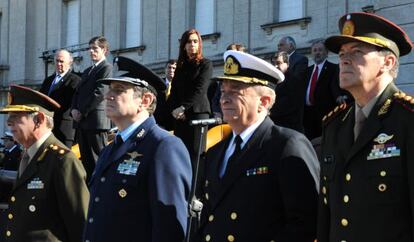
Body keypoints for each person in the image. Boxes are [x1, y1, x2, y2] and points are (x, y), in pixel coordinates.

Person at [195, 50, 319, 242]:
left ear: (264, 101)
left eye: (235, 91)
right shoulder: (215, 151)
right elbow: (209, 217)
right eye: (223, 91)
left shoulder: (286, 145)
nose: (224, 98)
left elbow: (305, 223)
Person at [318, 12, 414, 242]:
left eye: (356, 52)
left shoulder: (407, 121)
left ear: (387, 62)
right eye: (342, 54)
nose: (344, 59)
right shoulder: (333, 125)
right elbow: (326, 215)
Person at [83, 58, 192, 242]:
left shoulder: (163, 147)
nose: (108, 95)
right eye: (109, 89)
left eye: (118, 90)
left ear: (145, 100)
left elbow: (169, 228)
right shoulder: (110, 148)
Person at [0, 85, 89, 242]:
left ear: (39, 120)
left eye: (16, 116)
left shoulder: (62, 160)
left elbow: (80, 224)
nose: (8, 122)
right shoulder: (28, 156)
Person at [167, 29, 213, 163]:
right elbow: (174, 90)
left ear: (199, 44)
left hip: (198, 114)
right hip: (180, 117)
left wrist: (183, 108)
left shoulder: (205, 64)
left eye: (195, 41)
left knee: (196, 156)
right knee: (180, 154)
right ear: (183, 46)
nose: (192, 44)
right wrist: (175, 110)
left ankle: (196, 184)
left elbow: (200, 90)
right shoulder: (181, 66)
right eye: (188, 42)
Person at [71, 36, 112, 180]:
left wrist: (82, 111)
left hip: (95, 122)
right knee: (86, 161)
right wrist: (74, 110)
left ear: (104, 50)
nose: (91, 51)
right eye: (90, 48)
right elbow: (77, 92)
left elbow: (100, 92)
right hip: (82, 122)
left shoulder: (106, 67)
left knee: (98, 159)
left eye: (95, 48)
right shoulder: (87, 70)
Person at [302, 40, 349, 140]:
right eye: (314, 50)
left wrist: (339, 96)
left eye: (320, 50)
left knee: (323, 141)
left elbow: (337, 86)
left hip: (325, 114)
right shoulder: (307, 71)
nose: (317, 52)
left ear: (326, 53)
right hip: (307, 114)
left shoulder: (334, 68)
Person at [39, 49, 81, 148]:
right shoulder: (48, 80)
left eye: (61, 61)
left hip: (64, 129)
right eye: (57, 61)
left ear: (70, 63)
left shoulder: (75, 80)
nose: (58, 64)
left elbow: (69, 102)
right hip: (47, 128)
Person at [270, 51, 307, 132]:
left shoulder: (294, 81)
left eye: (279, 63)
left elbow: (288, 105)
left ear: (287, 64)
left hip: (289, 129)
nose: (275, 66)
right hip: (275, 128)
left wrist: (268, 110)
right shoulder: (271, 82)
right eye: (273, 63)